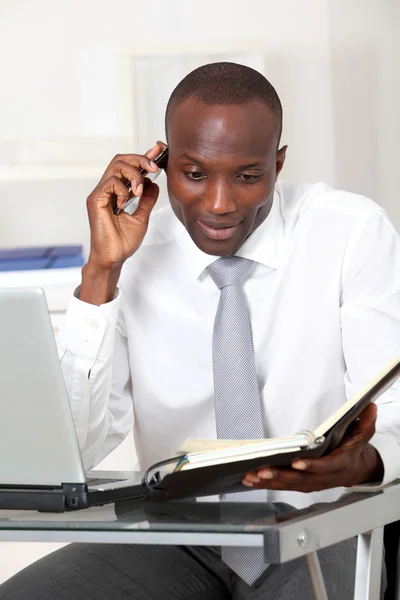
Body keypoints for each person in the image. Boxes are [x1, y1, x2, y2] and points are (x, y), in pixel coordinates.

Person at [2, 61, 399, 599]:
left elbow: (395, 412)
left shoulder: (351, 233)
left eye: (247, 175)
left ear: (277, 164)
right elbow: (79, 450)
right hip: (176, 533)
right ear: (160, 166)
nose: (219, 204)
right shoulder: (134, 250)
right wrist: (102, 272)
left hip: (322, 520)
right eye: (194, 174)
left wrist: (363, 462)